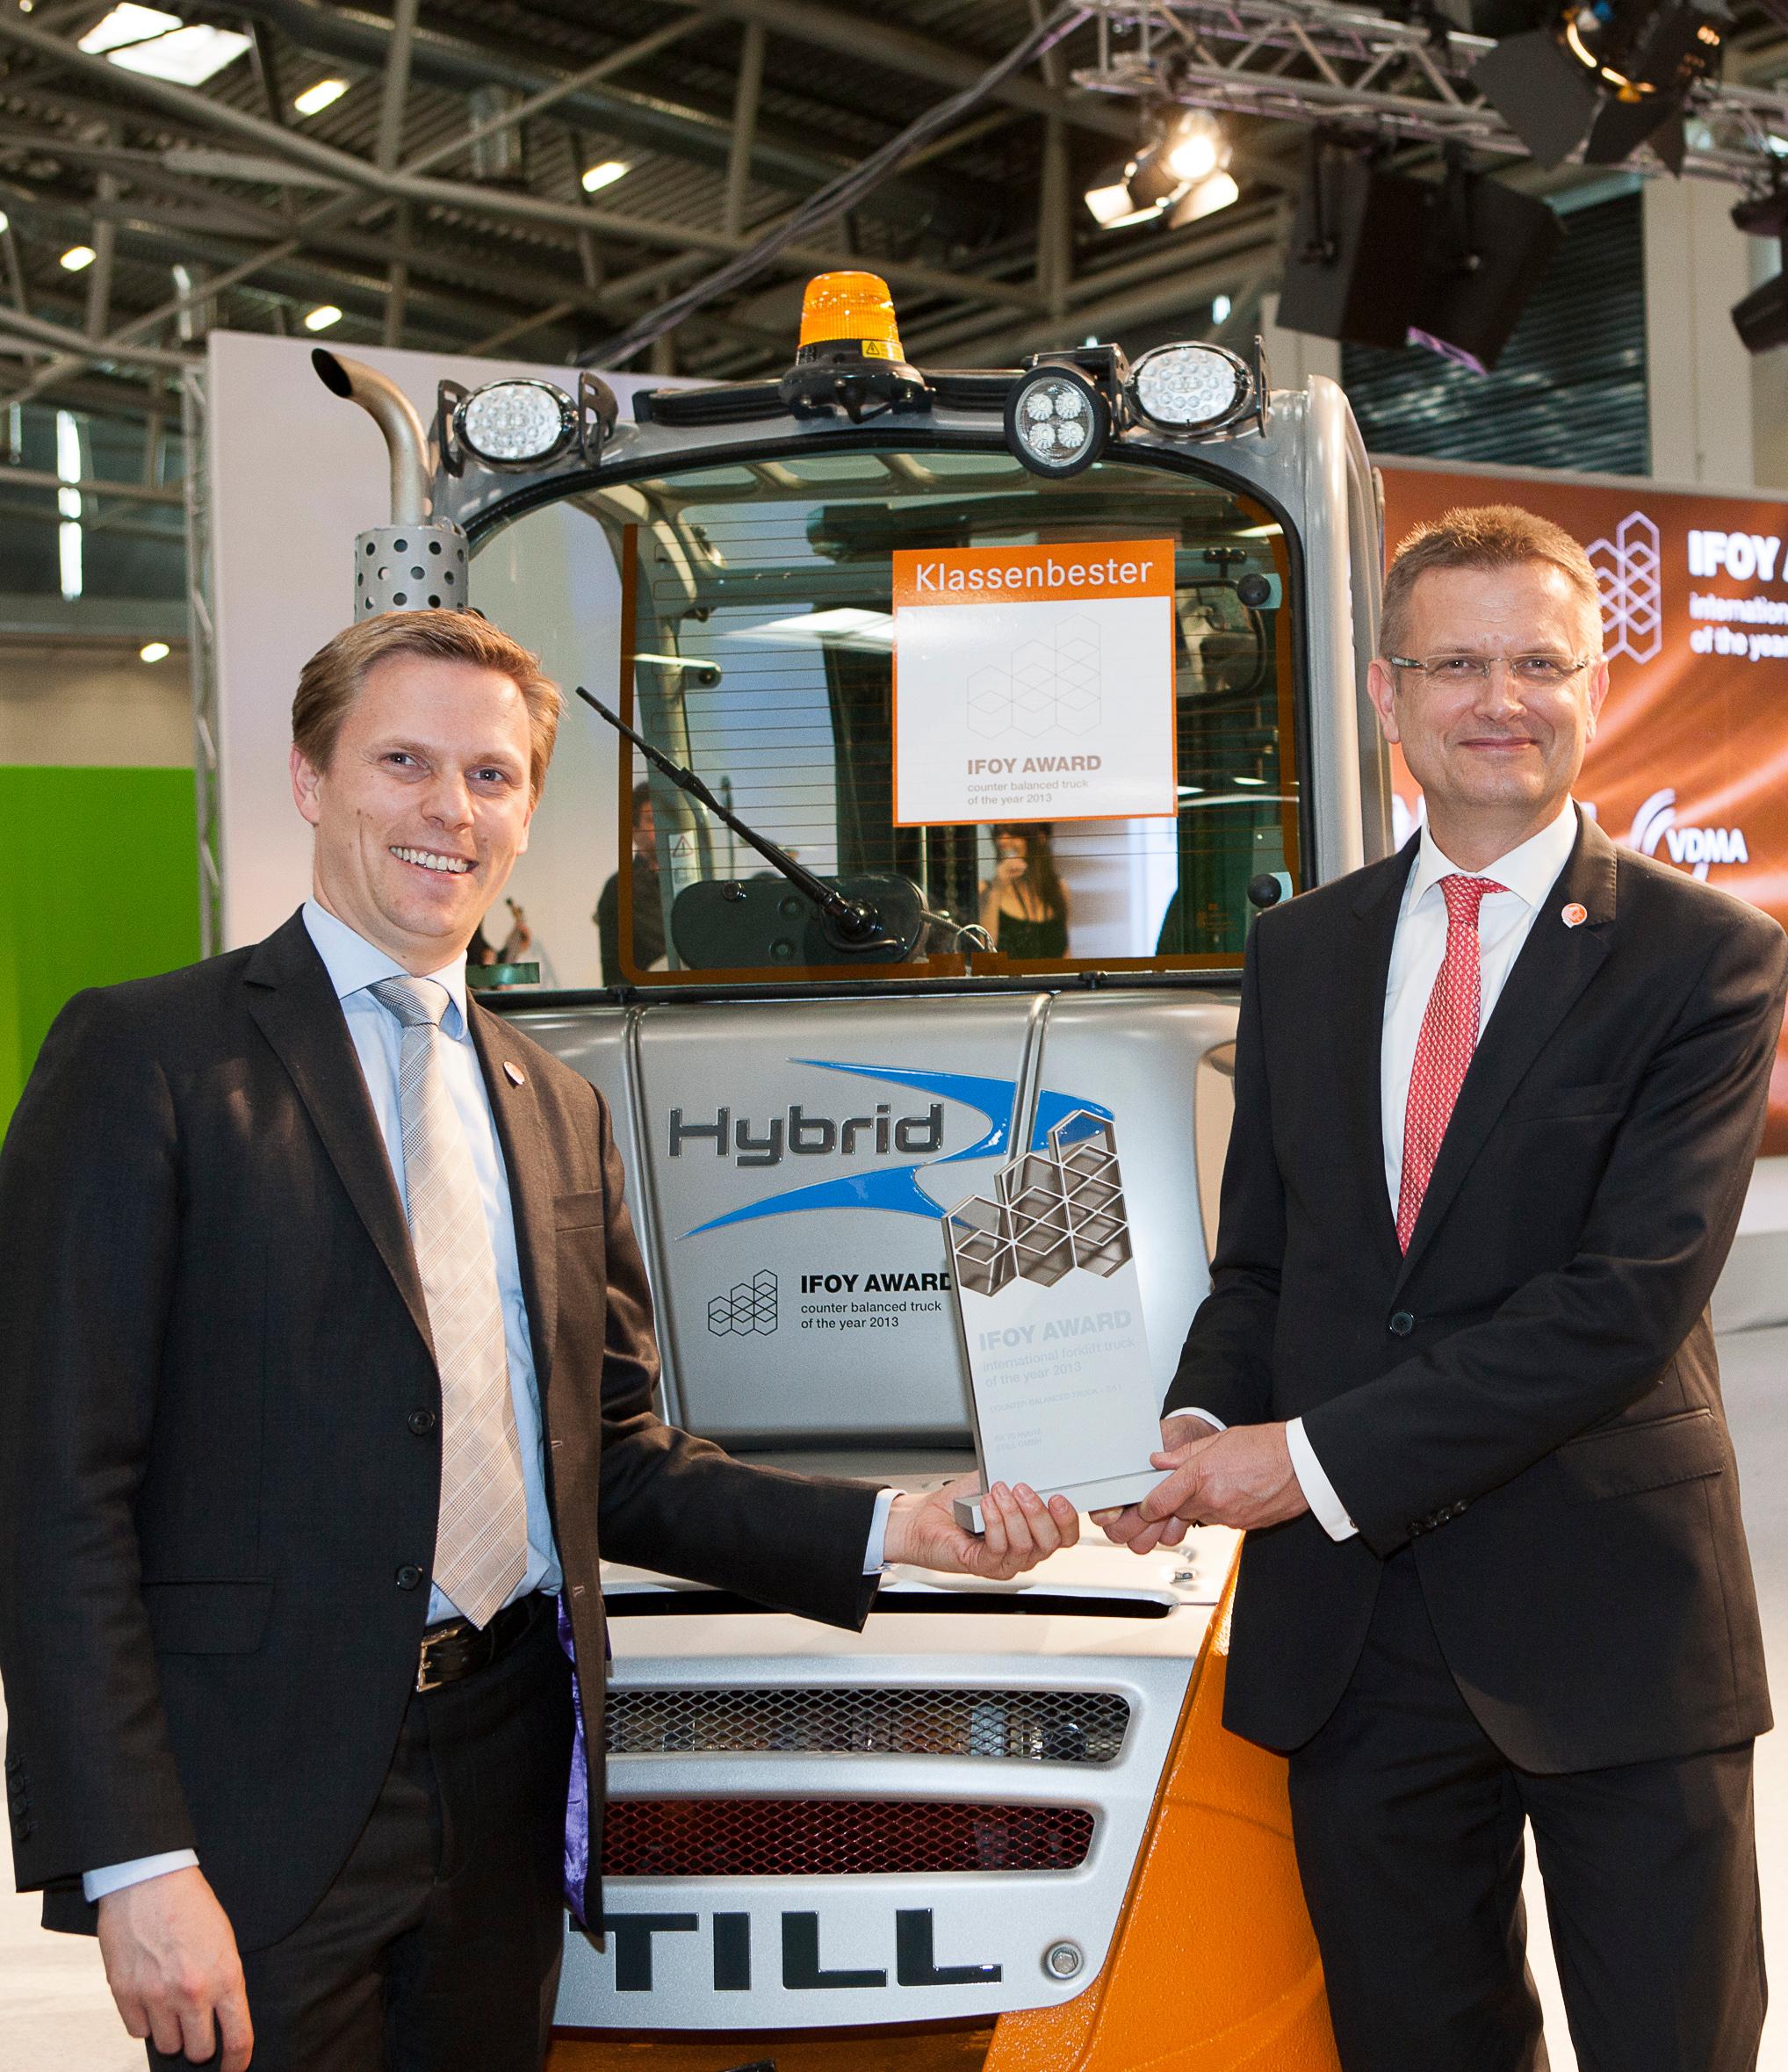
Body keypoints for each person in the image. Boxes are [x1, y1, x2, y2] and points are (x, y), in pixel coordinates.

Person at [0, 610, 1077, 2072]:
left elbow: (614, 1456)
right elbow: (56, 1487)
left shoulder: (555, 1105)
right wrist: (136, 1857)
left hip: (508, 1776)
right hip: (259, 1799)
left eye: (491, 775)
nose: (450, 807)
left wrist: (900, 1524)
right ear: (311, 778)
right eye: (403, 761)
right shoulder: (148, 1057)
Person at [1104, 505, 1786, 2072]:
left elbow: (1624, 1301)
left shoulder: (1704, 956)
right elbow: (1264, 1259)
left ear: (1593, 686)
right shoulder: (1300, 950)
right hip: (1357, 1631)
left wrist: (1306, 1456)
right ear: (1388, 692)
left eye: (1539, 662)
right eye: (1457, 663)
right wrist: (1198, 1420)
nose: (1500, 699)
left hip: (1610, 1608)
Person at [595, 781, 665, 983]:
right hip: (643, 997)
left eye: (665, 819)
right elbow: (663, 945)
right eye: (652, 820)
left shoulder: (684, 881)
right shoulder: (622, 886)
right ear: (634, 830)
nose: (662, 828)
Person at [977, 823, 1069, 960]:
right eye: (999, 834)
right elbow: (984, 954)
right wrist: (997, 889)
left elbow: (1066, 954)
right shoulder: (986, 889)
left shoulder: (1058, 888)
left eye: (1014, 834)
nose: (1002, 841)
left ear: (1039, 838)